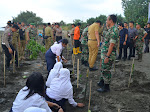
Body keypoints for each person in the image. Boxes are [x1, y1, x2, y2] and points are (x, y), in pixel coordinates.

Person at [97, 14, 119, 92]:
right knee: (103, 68)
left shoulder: (114, 30)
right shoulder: (110, 29)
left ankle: (106, 87)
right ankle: (102, 82)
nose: (106, 21)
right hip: (105, 53)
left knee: (106, 70)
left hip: (109, 54)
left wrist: (107, 56)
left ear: (111, 21)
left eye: (107, 19)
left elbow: (112, 44)